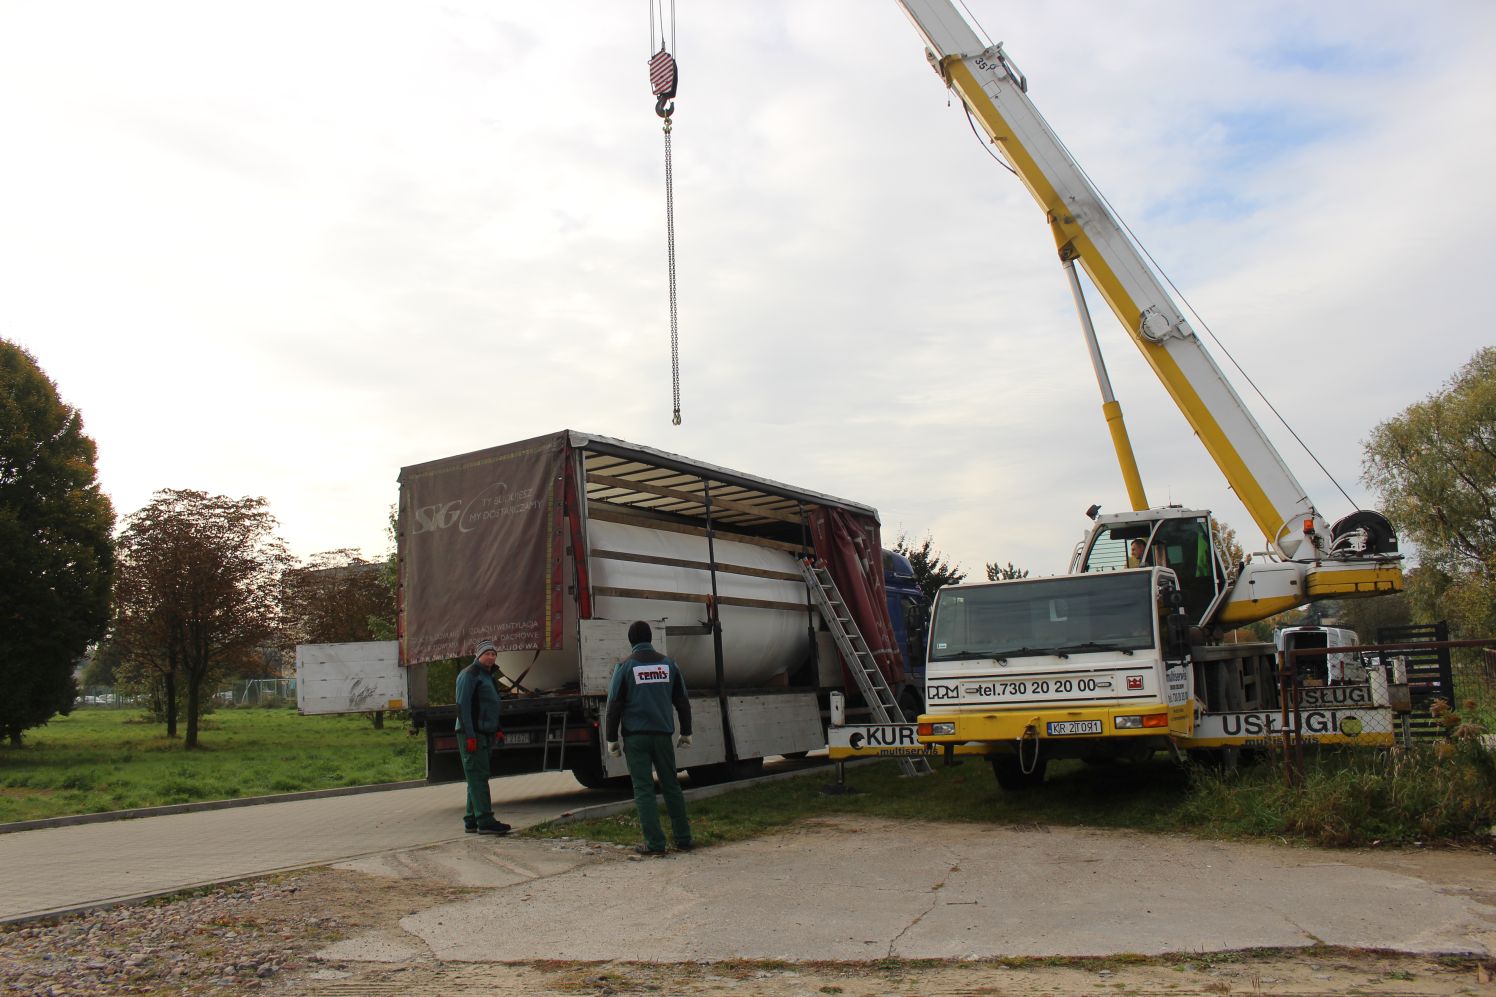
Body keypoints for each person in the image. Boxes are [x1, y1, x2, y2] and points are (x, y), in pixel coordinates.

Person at [605, 621, 693, 855]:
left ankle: (655, 843)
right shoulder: (669, 664)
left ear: (631, 640)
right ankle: (683, 838)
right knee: (671, 785)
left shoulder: (624, 667)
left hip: (636, 738)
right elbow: (682, 701)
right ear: (650, 637)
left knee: (643, 789)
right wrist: (686, 731)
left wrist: (610, 738)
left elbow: (614, 705)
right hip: (663, 736)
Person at [455, 638, 510, 835]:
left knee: (477, 776)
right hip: (472, 733)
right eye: (487, 653)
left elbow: (493, 705)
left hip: (486, 732)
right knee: (478, 777)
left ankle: (472, 819)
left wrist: (498, 729)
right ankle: (485, 820)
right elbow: (463, 707)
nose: (491, 657)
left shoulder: (489, 677)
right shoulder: (469, 675)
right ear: (478, 655)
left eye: (494, 654)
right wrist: (470, 735)